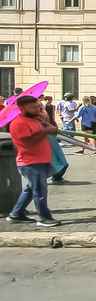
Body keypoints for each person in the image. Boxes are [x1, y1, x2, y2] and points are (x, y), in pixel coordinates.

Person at [6, 95, 61, 226]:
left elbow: (50, 130)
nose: (37, 109)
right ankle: (44, 217)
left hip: (42, 159)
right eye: (33, 107)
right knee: (40, 191)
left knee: (31, 189)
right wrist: (45, 131)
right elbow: (28, 142)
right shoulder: (18, 123)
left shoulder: (36, 119)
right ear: (22, 109)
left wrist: (47, 122)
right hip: (30, 162)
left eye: (38, 106)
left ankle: (17, 214)